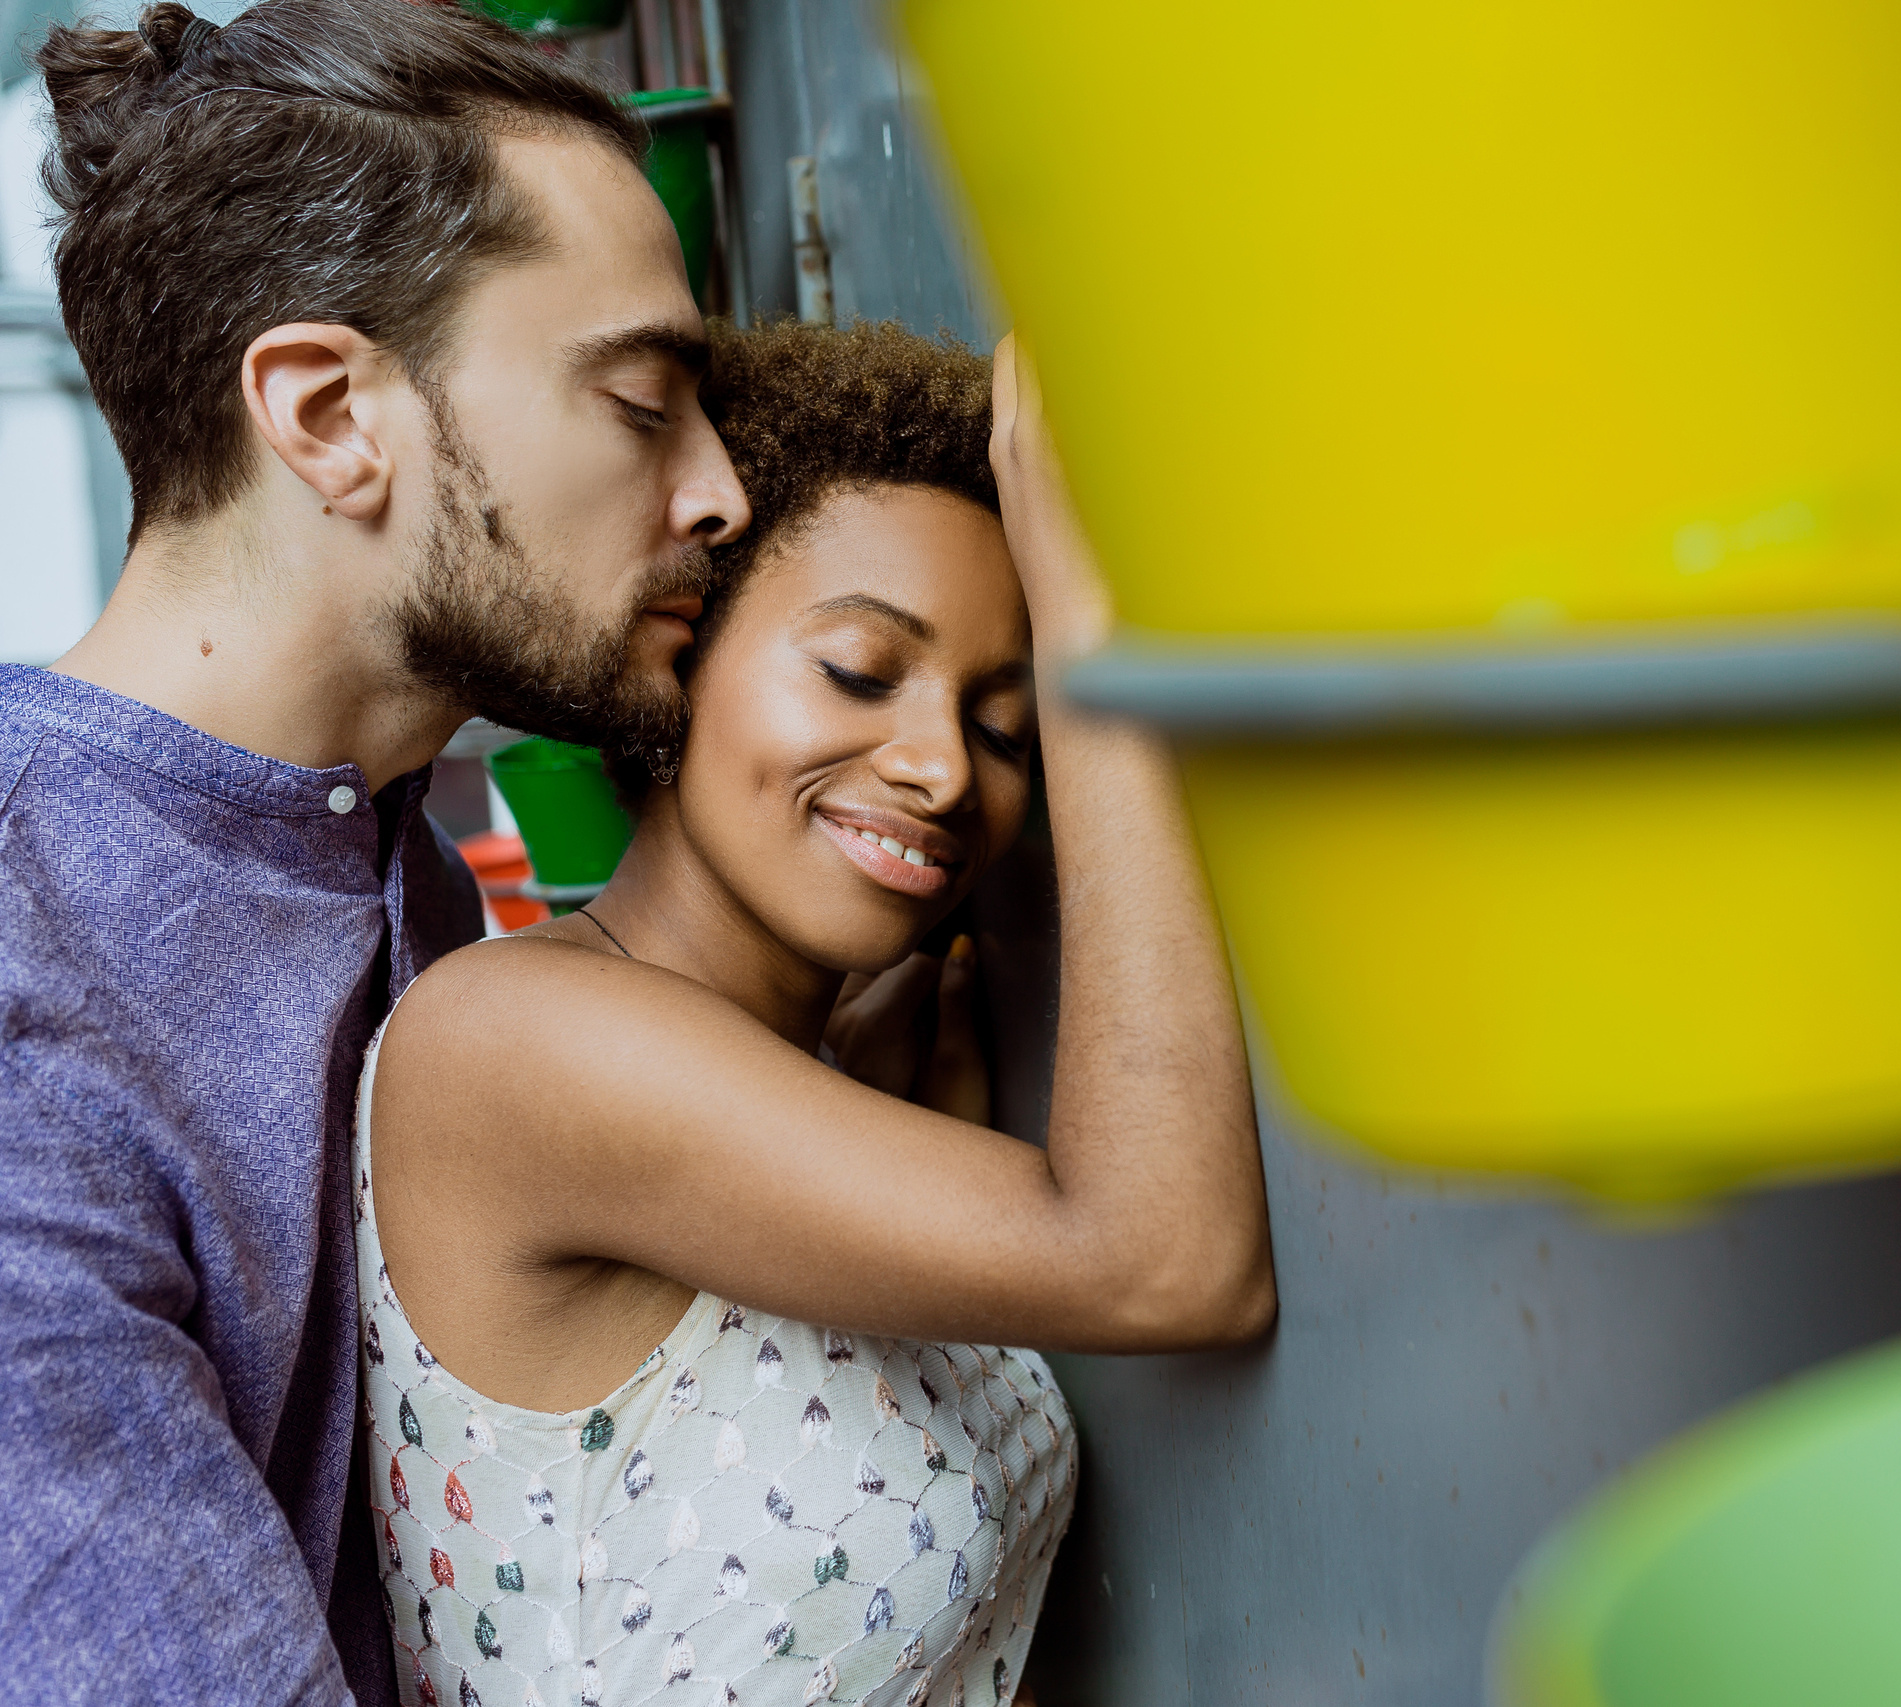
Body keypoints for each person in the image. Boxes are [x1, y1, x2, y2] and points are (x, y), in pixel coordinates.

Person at [356, 317, 1272, 1706]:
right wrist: (1095, 642)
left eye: (1007, 724)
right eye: (857, 670)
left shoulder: (835, 1090)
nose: (943, 770)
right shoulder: (511, 1041)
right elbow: (1168, 1262)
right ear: (682, 662)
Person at [0, 4, 747, 1702]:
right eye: (642, 401)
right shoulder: (26, 955)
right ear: (330, 415)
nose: (718, 495)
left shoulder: (391, 865)